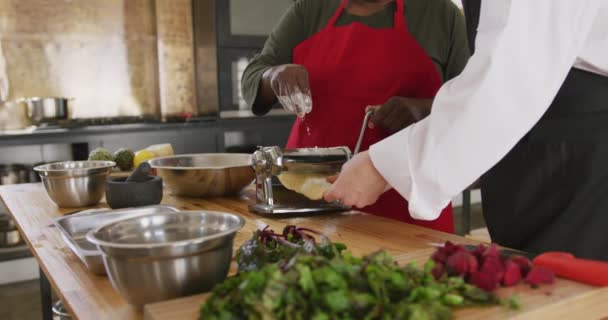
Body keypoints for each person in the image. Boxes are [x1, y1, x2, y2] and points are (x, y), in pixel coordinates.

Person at [325, 0, 608, 260]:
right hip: (544, 150)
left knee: (563, 296)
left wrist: (382, 167)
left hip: (579, 158)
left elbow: (504, 81)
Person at [242, 0, 470, 233]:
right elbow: (253, 76)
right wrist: (274, 76)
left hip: (408, 205)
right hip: (311, 200)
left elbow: (471, 106)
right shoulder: (310, 10)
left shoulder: (442, 15)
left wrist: (422, 109)